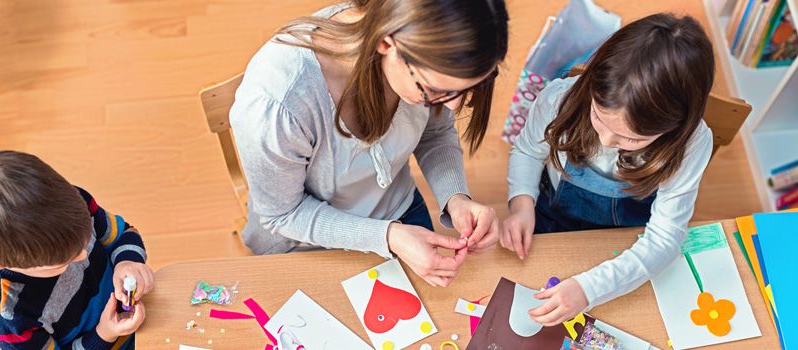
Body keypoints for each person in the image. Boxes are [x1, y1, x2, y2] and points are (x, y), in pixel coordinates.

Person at [230, 0, 509, 286]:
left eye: (468, 88)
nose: (453, 106)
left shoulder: (420, 54)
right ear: (386, 44)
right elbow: (283, 215)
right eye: (436, 90)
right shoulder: (279, 102)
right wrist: (386, 237)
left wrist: (456, 198)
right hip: (306, 239)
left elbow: (434, 133)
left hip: (398, 212)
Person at [501, 14, 716, 324]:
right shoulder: (560, 98)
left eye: (631, 138)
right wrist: (521, 204)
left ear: (676, 129)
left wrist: (589, 289)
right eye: (598, 116)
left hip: (626, 243)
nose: (606, 140)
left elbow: (663, 240)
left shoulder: (692, 143)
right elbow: (526, 151)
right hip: (549, 221)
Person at [0, 150, 153, 349]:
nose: (84, 256)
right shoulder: (9, 317)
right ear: (3, 263)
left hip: (147, 317)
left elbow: (124, 234)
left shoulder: (71, 205)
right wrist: (104, 334)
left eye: (86, 239)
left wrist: (127, 262)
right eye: (64, 261)